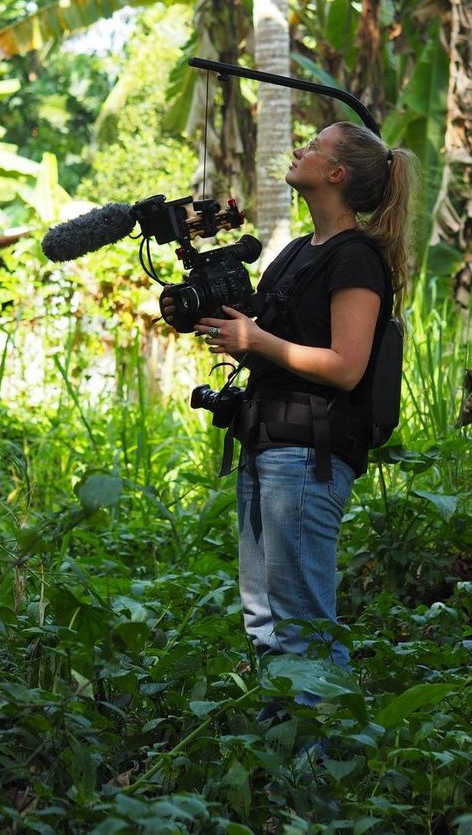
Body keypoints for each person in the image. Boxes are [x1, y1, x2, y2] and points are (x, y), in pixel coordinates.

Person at [163, 121, 414, 680]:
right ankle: (288, 760)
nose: (300, 149)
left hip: (308, 453)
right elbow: (273, 344)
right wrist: (208, 315)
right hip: (268, 442)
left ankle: (331, 758)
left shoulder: (356, 259)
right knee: (265, 624)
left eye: (314, 147)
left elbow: (346, 367)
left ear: (336, 174)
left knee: (302, 625)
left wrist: (256, 340)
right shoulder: (300, 251)